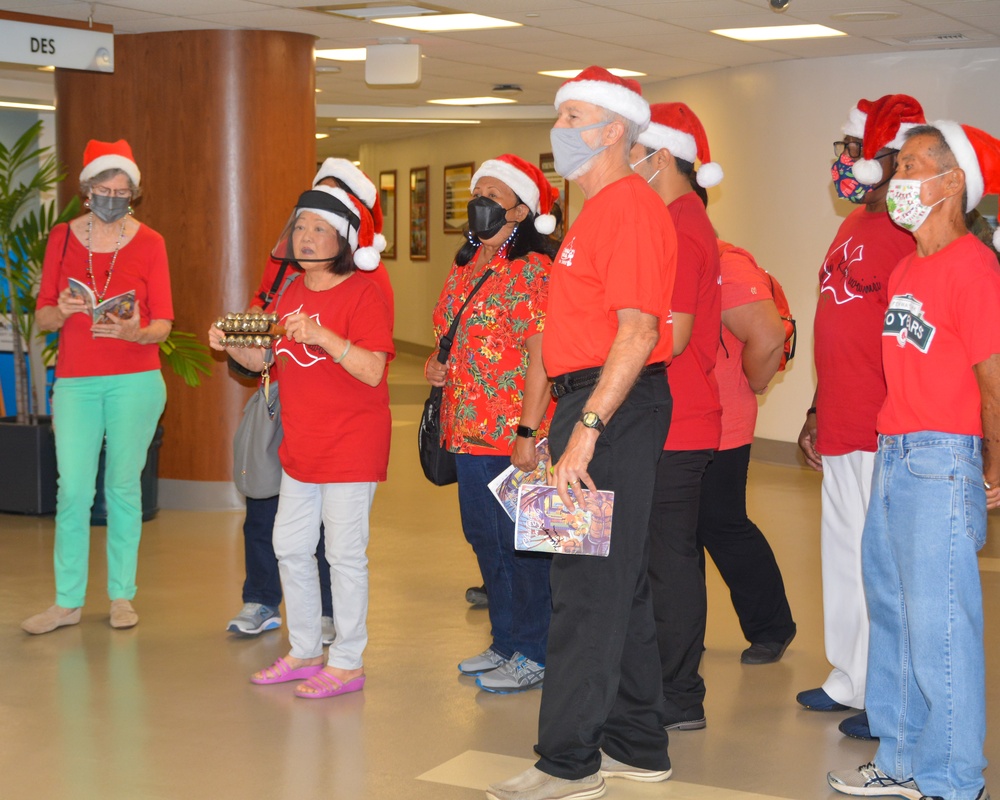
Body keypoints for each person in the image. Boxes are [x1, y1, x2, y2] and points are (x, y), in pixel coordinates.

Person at [488, 66, 677, 800]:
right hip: (585, 401)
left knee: (584, 590)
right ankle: (638, 743)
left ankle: (567, 763)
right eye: (559, 113)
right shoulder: (595, 210)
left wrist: (586, 433)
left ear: (613, 130)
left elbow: (637, 332)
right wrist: (545, 424)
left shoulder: (629, 208)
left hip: (612, 408)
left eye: (574, 115)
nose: (559, 127)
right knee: (617, 583)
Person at [827, 121, 1000, 800]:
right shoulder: (905, 266)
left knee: (941, 628)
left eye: (912, 167)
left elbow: (993, 380)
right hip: (894, 454)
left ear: (952, 182)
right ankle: (900, 761)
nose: (896, 180)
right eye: (896, 168)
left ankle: (954, 779)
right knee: (895, 617)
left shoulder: (975, 267)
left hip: (942, 458)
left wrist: (994, 462)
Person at [210, 185, 393, 699]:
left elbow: (373, 369)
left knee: (343, 555)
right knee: (290, 548)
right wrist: (232, 345)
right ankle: (307, 649)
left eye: (320, 230)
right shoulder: (289, 290)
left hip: (351, 447)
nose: (306, 238)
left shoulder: (364, 292)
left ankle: (349, 661)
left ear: (344, 240)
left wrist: (326, 338)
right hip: (302, 446)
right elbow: (268, 360)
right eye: (301, 228)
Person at [796, 95, 922, 741]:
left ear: (886, 159)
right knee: (842, 555)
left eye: (849, 152)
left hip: (886, 426)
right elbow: (838, 325)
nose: (840, 164)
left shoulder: (906, 236)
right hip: (843, 420)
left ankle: (888, 691)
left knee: (885, 565)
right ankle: (850, 675)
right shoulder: (850, 227)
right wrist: (816, 408)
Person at [22, 139, 173, 634]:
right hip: (76, 383)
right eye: (103, 189)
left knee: (123, 487)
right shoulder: (62, 239)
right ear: (87, 191)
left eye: (122, 190)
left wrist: (135, 330)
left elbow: (165, 323)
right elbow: (42, 316)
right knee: (73, 491)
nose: (112, 197)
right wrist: (61, 310)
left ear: (133, 193)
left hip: (135, 380)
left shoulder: (150, 242)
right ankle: (66, 602)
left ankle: (121, 597)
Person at [425, 154, 559, 694]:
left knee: (525, 546)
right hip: (466, 430)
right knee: (486, 540)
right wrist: (438, 365)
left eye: (492, 194)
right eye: (476, 192)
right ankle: (505, 641)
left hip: (516, 433)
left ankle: (536, 650)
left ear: (521, 210)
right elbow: (455, 339)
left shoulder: (531, 270)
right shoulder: (464, 266)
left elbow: (543, 357)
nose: (478, 202)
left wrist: (528, 432)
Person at [629, 101, 723, 731]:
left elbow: (675, 335)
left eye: (633, 153)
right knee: (660, 557)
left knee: (669, 560)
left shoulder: (682, 228)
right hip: (659, 420)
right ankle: (659, 681)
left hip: (678, 422)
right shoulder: (672, 221)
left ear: (660, 156)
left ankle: (680, 693)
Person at [697, 239, 796, 664]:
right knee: (676, 535)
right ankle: (679, 637)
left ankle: (772, 627)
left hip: (722, 422)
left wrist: (754, 383)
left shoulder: (727, 263)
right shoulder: (661, 251)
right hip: (675, 421)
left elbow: (770, 335)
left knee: (722, 525)